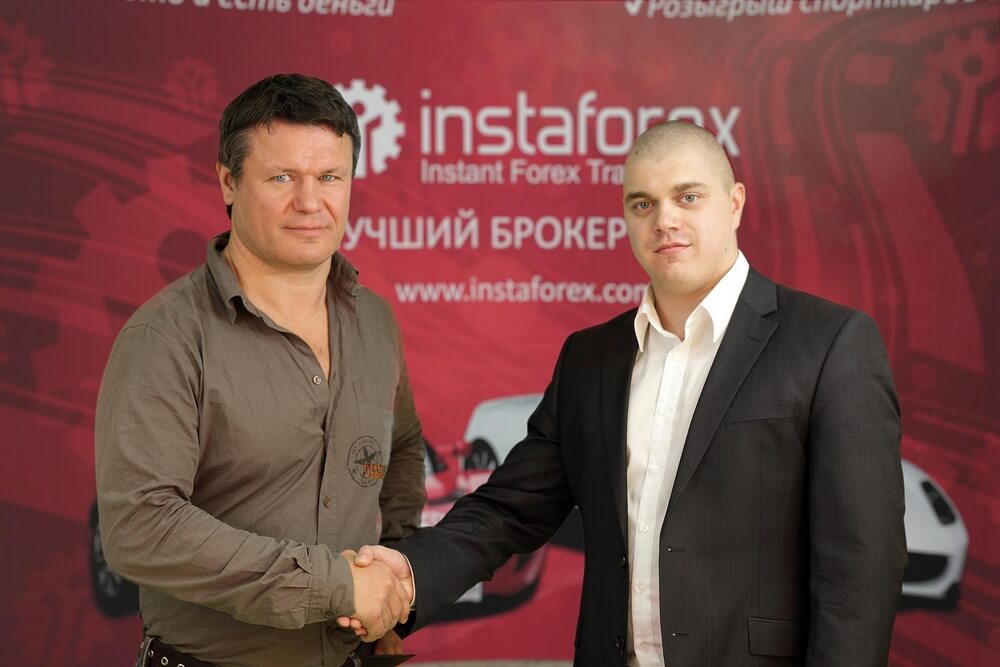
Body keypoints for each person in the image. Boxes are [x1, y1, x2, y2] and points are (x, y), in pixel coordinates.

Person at [344, 120, 907, 666]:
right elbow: (508, 509)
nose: (665, 220)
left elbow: (862, 565)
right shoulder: (591, 358)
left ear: (735, 203)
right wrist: (405, 575)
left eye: (688, 197)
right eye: (643, 204)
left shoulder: (829, 342)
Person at [95, 73, 423, 667]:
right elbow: (141, 527)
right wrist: (336, 585)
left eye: (330, 177)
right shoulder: (165, 337)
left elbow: (401, 448)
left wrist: (392, 578)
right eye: (282, 178)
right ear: (228, 181)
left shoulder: (375, 320)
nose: (310, 202)